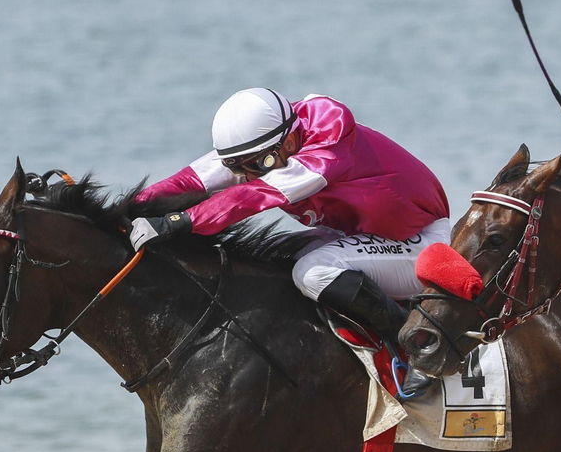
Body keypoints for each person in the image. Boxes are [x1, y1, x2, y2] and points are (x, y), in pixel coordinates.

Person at [132, 88, 450, 390]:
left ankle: (419, 350)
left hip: (421, 243)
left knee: (312, 271)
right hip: (364, 236)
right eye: (240, 168)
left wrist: (181, 220)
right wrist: (127, 208)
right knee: (281, 261)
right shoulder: (261, 146)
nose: (254, 173)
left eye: (261, 164)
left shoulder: (330, 137)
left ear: (290, 139)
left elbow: (260, 193)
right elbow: (190, 180)